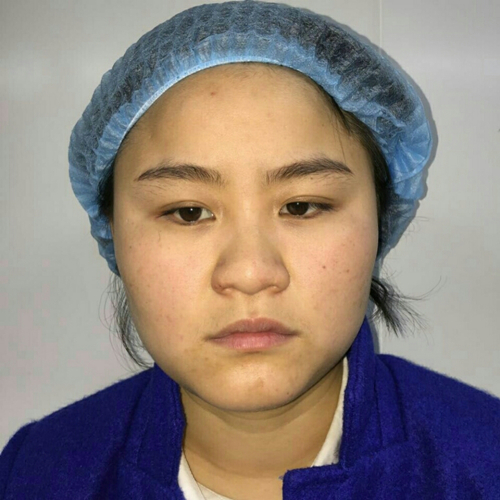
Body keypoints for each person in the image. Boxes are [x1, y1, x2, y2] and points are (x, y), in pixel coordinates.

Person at [1, 1, 499, 499]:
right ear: (113, 232)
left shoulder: (485, 465)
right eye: (189, 212)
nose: (250, 272)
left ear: (379, 220)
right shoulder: (35, 475)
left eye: (301, 206)